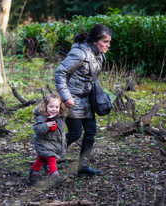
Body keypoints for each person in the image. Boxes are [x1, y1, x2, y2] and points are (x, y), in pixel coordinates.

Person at [55, 24, 112, 177]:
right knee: (74, 134)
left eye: (109, 42)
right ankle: (49, 159)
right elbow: (60, 73)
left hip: (86, 99)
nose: (108, 45)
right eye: (105, 41)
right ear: (95, 41)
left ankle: (83, 167)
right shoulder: (80, 53)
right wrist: (66, 97)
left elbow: (91, 78)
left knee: (91, 132)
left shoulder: (98, 54)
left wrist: (103, 95)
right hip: (71, 100)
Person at [27, 93, 68, 187]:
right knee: (51, 159)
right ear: (45, 106)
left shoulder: (59, 117)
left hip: (52, 143)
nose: (54, 109)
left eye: (57, 107)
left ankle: (32, 177)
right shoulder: (42, 117)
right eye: (51, 106)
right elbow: (37, 129)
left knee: (40, 160)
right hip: (43, 144)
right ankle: (55, 177)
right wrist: (46, 125)